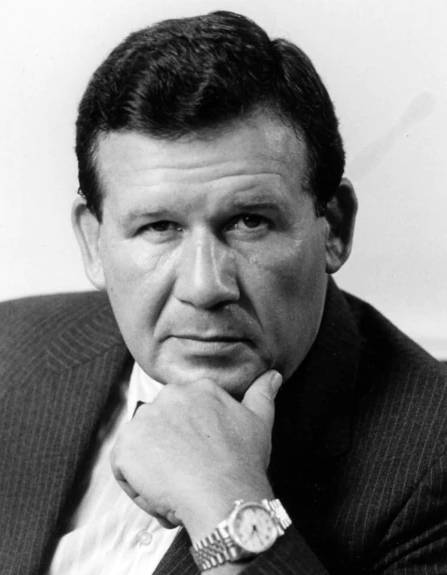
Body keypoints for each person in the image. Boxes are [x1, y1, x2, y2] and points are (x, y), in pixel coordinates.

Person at [0, 10, 446, 575]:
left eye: (249, 222)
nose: (205, 286)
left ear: (333, 229)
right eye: (159, 226)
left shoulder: (433, 457)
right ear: (94, 242)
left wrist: (228, 504)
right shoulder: (10, 349)